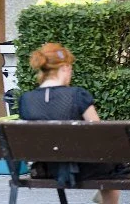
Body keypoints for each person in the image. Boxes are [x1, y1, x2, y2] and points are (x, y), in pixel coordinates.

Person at [19, 43, 127, 204]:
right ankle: (106, 196)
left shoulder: (26, 100)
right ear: (64, 68)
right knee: (118, 165)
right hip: (81, 169)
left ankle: (104, 193)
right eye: (70, 69)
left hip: (44, 169)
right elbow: (101, 134)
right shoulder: (77, 95)